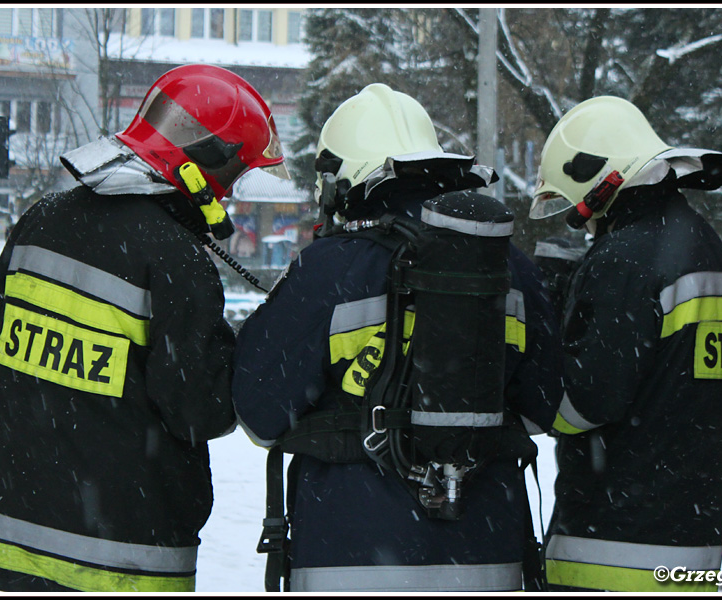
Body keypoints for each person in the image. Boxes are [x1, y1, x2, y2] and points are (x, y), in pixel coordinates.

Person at [0, 64, 290, 592]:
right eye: (232, 177)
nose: (229, 195)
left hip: (13, 540)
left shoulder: (40, 219)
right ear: (201, 164)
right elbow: (202, 410)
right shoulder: (174, 258)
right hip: (123, 559)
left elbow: (2, 338)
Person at [232, 83, 563, 592]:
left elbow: (259, 414)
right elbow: (546, 409)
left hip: (350, 559)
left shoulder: (327, 271)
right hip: (488, 557)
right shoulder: (510, 267)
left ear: (339, 181)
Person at [528, 96, 722, 592]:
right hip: (693, 543)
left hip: (609, 546)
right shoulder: (708, 249)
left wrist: (537, 350)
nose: (581, 223)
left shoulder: (625, 258)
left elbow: (582, 404)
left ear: (597, 180)